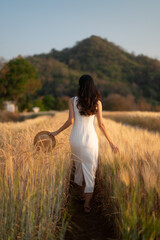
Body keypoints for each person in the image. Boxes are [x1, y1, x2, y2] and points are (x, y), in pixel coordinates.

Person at [50, 74, 119, 213]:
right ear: (93, 86)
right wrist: (112, 143)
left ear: (80, 86)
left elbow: (70, 121)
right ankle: (87, 204)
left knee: (79, 169)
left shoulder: (72, 101)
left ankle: (82, 195)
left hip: (75, 139)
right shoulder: (97, 102)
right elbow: (101, 125)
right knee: (90, 171)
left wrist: (56, 132)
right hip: (90, 141)